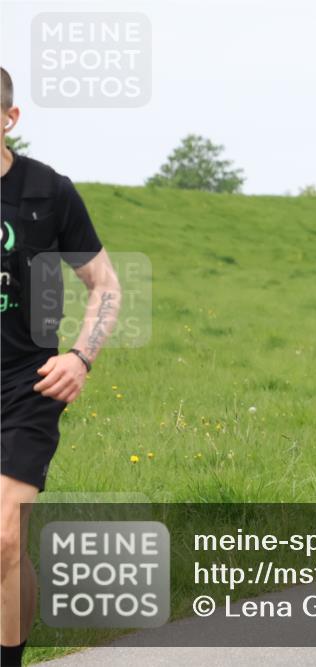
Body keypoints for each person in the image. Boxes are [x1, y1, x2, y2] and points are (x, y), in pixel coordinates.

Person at [1, 67, 121, 666]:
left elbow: (104, 284)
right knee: (9, 549)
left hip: (25, 385)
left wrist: (80, 357)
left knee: (2, 536)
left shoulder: (47, 192)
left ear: (9, 118)